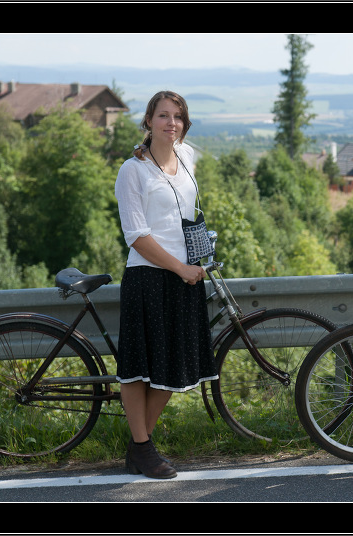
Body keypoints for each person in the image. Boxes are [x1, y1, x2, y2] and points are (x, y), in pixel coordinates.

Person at [113, 90, 217, 479]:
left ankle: (140, 445)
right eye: (163, 115)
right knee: (139, 368)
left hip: (185, 273)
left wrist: (194, 260)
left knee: (174, 367)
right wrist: (178, 267)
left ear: (184, 124)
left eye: (177, 116)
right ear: (148, 121)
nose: (170, 122)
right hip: (149, 275)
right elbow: (137, 236)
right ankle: (142, 448)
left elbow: (184, 214)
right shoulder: (132, 170)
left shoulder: (188, 156)